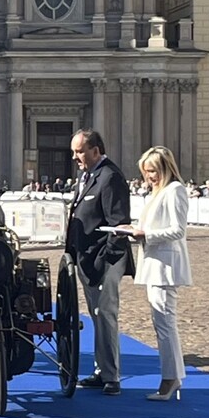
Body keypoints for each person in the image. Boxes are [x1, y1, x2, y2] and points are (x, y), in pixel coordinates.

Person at [66, 128, 134, 396]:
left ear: (96, 149)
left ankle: (111, 377)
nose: (75, 157)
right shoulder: (88, 176)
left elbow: (119, 224)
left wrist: (106, 261)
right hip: (87, 259)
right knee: (97, 316)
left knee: (106, 316)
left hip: (103, 262)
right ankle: (101, 370)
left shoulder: (110, 177)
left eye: (80, 151)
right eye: (73, 152)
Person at [122, 146, 192, 401]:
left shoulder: (175, 191)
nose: (149, 176)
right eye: (146, 172)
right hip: (155, 264)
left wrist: (146, 234)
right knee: (162, 323)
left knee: (165, 325)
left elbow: (177, 230)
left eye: (152, 171)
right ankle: (174, 376)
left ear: (164, 168)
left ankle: (170, 378)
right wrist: (134, 229)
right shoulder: (157, 193)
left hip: (165, 266)